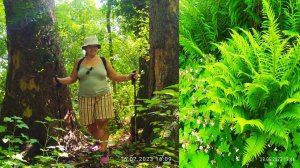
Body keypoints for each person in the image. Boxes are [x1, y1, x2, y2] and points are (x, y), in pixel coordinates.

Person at [53, 35, 137, 164]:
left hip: (103, 95)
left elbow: (114, 76)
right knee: (89, 124)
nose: (92, 48)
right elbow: (72, 79)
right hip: (84, 97)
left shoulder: (103, 60)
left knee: (102, 121)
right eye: (89, 46)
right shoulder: (79, 62)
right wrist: (59, 81)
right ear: (85, 48)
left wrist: (128, 77)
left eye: (95, 46)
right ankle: (101, 141)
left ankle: (104, 151)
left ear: (97, 47)